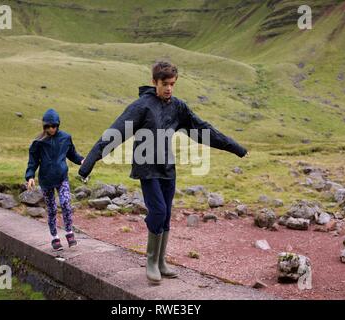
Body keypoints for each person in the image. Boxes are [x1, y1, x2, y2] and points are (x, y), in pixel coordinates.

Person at [79, 61, 249, 283]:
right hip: (147, 169)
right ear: (154, 82)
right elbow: (115, 132)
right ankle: (150, 262)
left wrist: (234, 147)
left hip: (168, 168)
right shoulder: (142, 106)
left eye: (172, 84)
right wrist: (89, 162)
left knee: (166, 214)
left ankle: (161, 262)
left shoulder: (178, 107)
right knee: (158, 212)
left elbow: (203, 129)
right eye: (164, 84)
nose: (169, 88)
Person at [25, 108, 84, 251]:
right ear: (44, 126)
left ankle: (69, 233)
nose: (51, 129)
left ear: (58, 125)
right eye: (48, 126)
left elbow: (72, 154)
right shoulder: (38, 143)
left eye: (54, 126)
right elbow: (33, 162)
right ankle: (55, 238)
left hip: (61, 177)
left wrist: (82, 161)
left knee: (65, 203)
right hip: (45, 180)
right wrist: (30, 176)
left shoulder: (65, 138)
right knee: (51, 209)